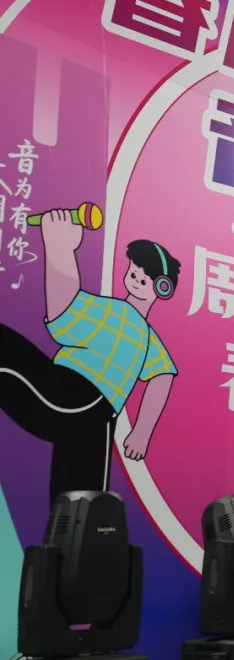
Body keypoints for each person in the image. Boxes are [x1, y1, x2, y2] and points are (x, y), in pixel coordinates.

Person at [0, 209, 179, 504]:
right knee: (80, 509)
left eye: (143, 277)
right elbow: (162, 376)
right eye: (134, 271)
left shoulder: (121, 316)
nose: (136, 278)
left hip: (76, 396)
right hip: (100, 416)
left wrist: (59, 248)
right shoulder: (140, 331)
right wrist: (141, 432)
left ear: (162, 288)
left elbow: (63, 315)